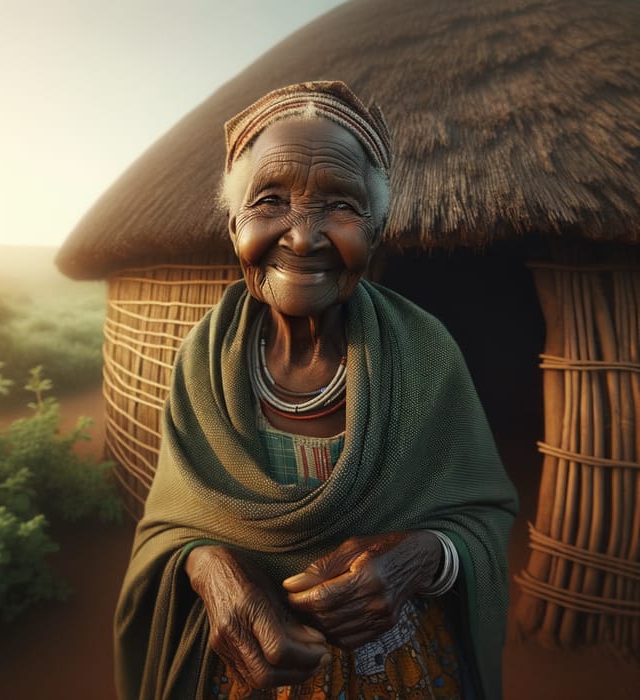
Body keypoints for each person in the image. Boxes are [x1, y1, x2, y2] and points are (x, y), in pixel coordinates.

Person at [114, 81, 518, 700]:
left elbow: (482, 516)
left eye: (340, 206)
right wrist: (212, 568)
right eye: (270, 200)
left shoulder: (426, 352)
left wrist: (421, 560)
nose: (302, 238)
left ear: (376, 231)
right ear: (233, 226)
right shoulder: (202, 360)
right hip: (245, 667)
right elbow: (170, 527)